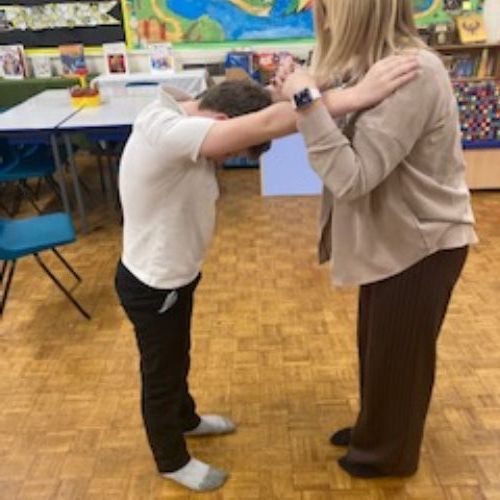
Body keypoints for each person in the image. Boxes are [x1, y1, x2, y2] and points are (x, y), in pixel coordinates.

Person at [114, 60, 421, 492]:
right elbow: (269, 122)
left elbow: (255, 107)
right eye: (231, 151)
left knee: (177, 356)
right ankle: (171, 459)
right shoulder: (169, 133)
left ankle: (185, 418)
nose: (226, 160)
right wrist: (358, 95)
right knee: (161, 373)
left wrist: (297, 85)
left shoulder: (183, 107)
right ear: (222, 123)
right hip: (154, 284)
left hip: (175, 275)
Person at [276, 0, 478, 479]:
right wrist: (302, 88)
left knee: (399, 358)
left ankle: (387, 454)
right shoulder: (367, 65)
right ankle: (377, 428)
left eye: (326, 6)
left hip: (421, 243)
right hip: (394, 238)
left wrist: (307, 100)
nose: (318, 14)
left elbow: (353, 177)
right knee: (379, 350)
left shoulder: (413, 72)